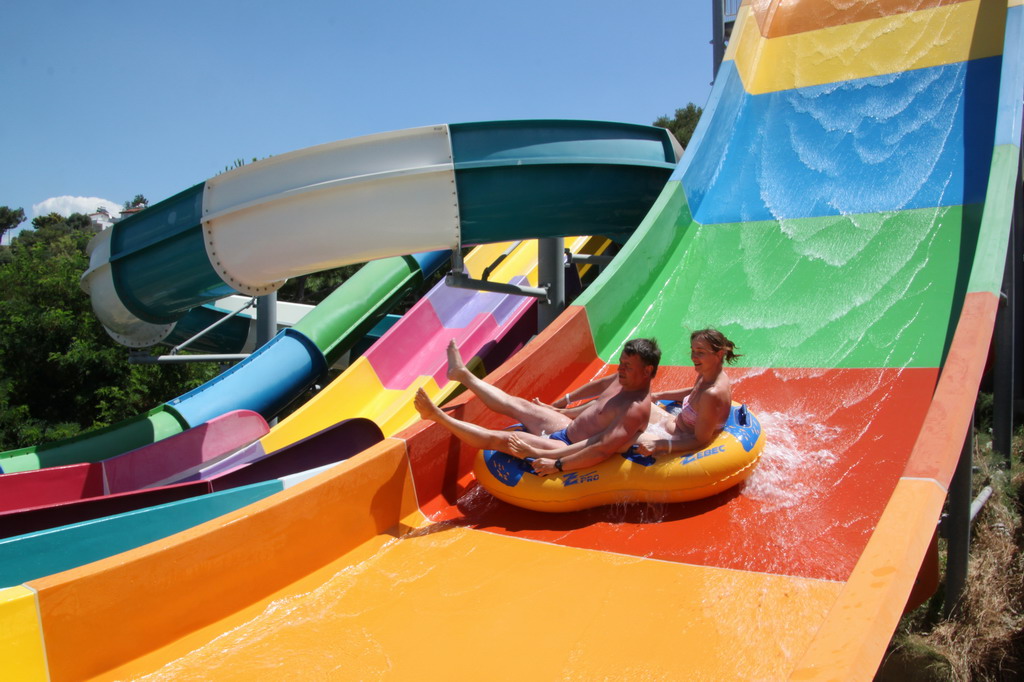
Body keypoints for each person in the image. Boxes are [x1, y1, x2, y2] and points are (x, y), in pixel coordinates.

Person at [413, 338, 660, 476]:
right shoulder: (624, 378)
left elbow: (600, 449)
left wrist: (558, 463)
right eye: (621, 362)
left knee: (500, 439)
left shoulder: (635, 409)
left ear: (647, 371)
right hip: (568, 428)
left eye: (627, 366)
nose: (620, 369)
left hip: (567, 447)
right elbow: (600, 386)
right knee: (517, 404)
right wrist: (563, 403)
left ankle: (436, 416)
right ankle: (461, 374)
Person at [633, 328, 741, 457]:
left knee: (621, 433)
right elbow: (694, 392)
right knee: (631, 401)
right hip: (672, 423)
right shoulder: (707, 373)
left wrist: (661, 444)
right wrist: (658, 396)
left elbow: (700, 440)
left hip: (678, 438)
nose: (693, 357)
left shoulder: (712, 394)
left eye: (700, 352)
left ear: (719, 354)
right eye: (693, 351)